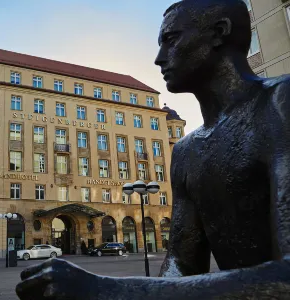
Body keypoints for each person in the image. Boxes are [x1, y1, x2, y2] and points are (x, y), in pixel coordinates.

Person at [16, 0, 290, 298]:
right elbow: (181, 269)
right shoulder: (186, 151)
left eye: (171, 40)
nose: (159, 58)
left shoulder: (280, 103)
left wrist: (105, 289)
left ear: (218, 33)